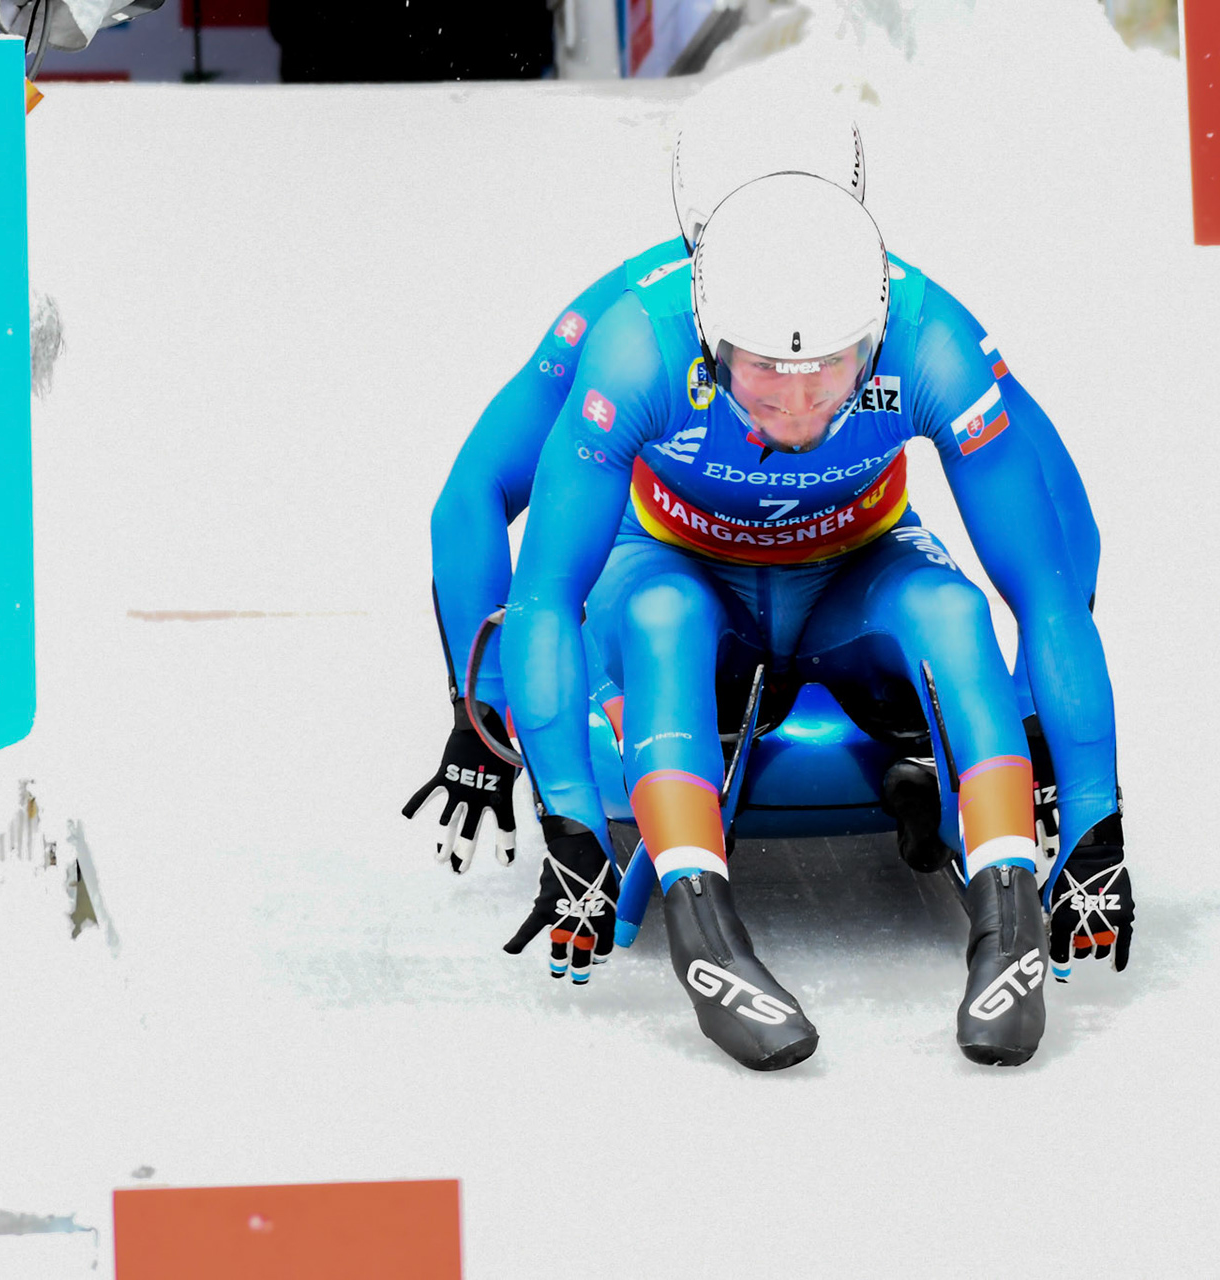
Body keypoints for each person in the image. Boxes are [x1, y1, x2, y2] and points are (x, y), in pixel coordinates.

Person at [410, 110, 1119, 940]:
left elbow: (1055, 530)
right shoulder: (630, 329)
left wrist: (1040, 729)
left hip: (858, 578)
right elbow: (476, 496)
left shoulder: (924, 328)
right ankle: (908, 758)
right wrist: (483, 711)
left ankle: (925, 745)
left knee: (946, 620)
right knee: (652, 620)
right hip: (676, 573)